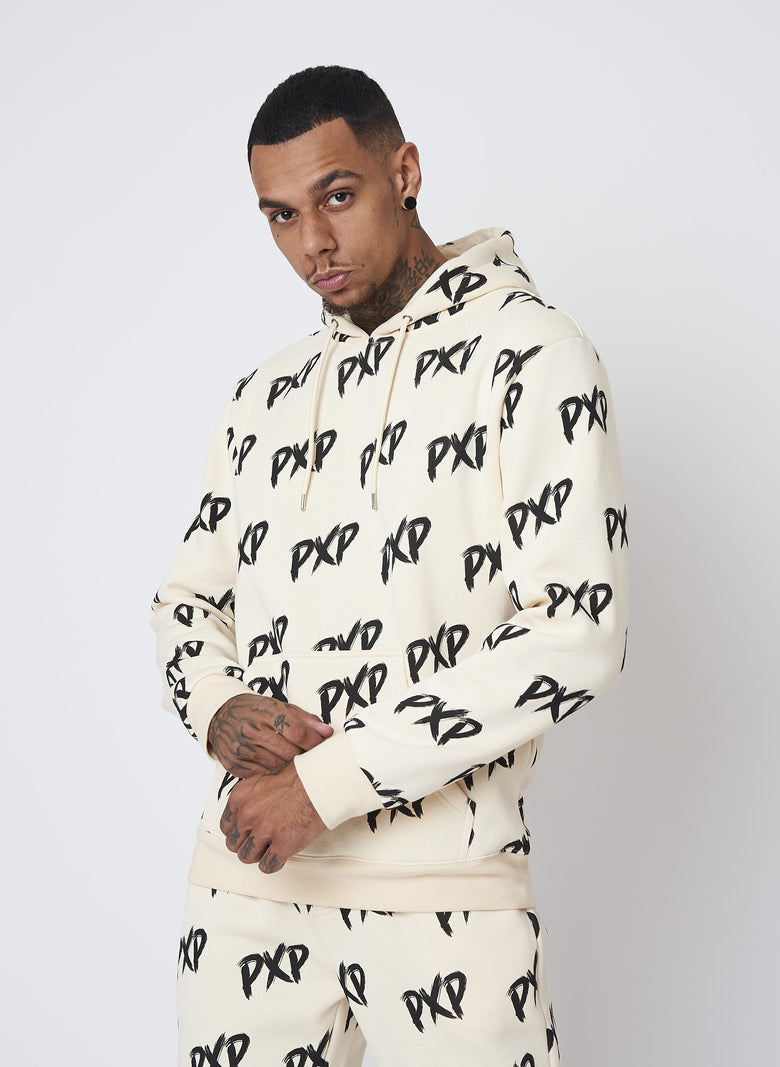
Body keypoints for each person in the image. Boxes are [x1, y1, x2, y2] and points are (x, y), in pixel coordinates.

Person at [152, 64, 628, 1067]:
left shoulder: (532, 356)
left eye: (336, 196)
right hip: (248, 888)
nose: (312, 244)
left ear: (402, 172)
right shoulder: (266, 395)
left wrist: (324, 784)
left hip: (442, 891)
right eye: (280, 216)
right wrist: (218, 708)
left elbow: (576, 630)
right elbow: (189, 599)